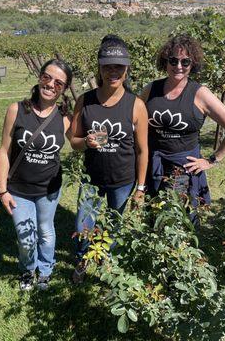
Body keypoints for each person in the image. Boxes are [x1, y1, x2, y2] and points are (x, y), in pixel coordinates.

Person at [141, 34, 225, 225]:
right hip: (154, 164)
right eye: (173, 60)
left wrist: (212, 160)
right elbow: (134, 119)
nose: (178, 66)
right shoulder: (151, 89)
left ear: (192, 64)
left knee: (181, 216)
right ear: (165, 61)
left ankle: (181, 254)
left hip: (183, 168)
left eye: (185, 61)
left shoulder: (200, 93)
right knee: (154, 214)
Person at [70, 35, 148, 283]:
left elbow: (142, 150)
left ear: (127, 69)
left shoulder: (135, 105)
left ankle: (107, 264)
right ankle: (82, 260)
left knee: (114, 225)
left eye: (119, 66)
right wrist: (86, 143)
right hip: (91, 179)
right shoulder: (86, 101)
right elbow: (73, 141)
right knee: (84, 222)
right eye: (107, 66)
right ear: (99, 68)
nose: (113, 71)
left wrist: (141, 188)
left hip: (123, 180)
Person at [0, 59, 73, 291]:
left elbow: (78, 143)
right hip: (19, 189)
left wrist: (96, 140)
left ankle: (46, 270)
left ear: (64, 89)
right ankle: (28, 269)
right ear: (39, 77)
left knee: (46, 231)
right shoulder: (16, 110)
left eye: (59, 83)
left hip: (48, 190)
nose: (51, 85)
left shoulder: (64, 118)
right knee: (26, 237)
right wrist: (2, 190)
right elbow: (4, 151)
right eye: (47, 77)